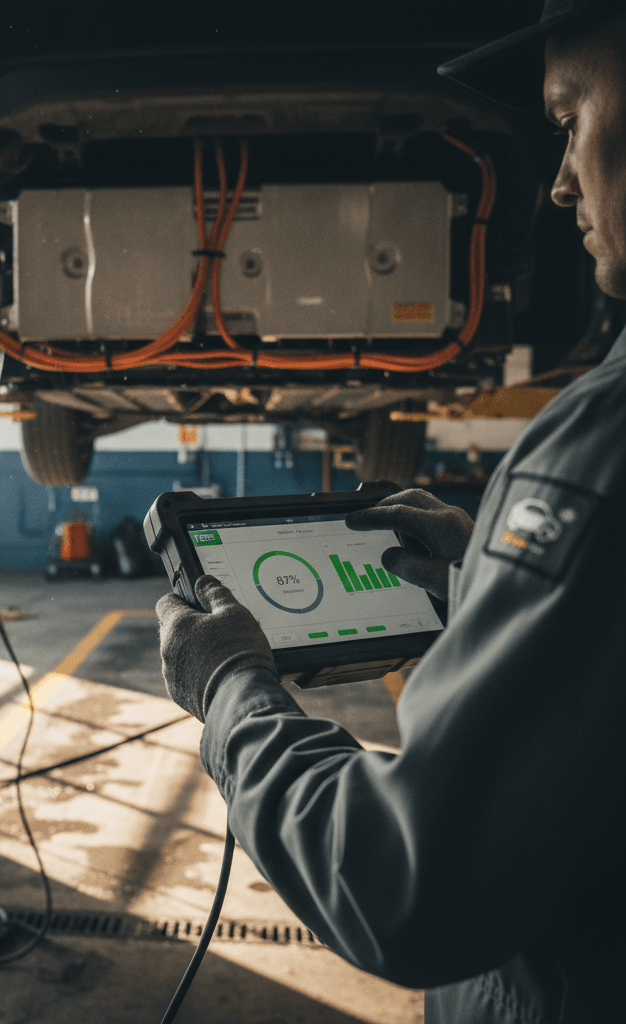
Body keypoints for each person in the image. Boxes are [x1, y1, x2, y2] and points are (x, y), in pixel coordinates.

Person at [155, 3, 626, 1021]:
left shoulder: (602, 444)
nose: (554, 181)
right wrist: (487, 582)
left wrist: (233, 691)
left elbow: (413, 886)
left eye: (568, 115)